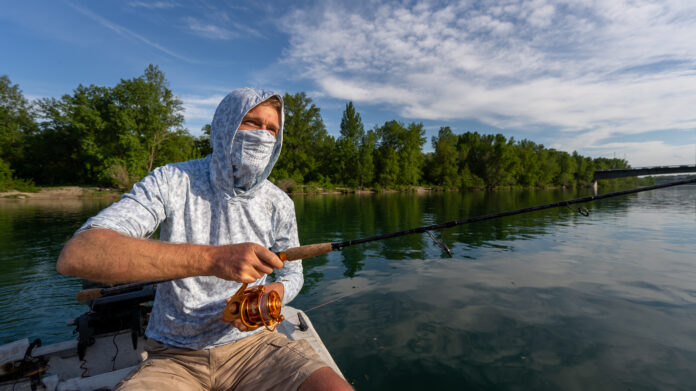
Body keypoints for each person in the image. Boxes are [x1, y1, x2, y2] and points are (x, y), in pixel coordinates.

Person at [57, 88, 352, 391]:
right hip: (174, 357)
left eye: (272, 129)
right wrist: (213, 259)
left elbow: (293, 273)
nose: (263, 135)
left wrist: (274, 293)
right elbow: (79, 254)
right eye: (251, 123)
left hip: (256, 346)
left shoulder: (279, 202)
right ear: (225, 126)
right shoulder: (172, 180)